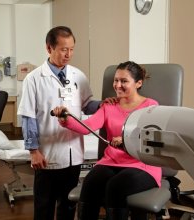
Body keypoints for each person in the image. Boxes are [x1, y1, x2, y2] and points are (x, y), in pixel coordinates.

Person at [52, 61, 162, 220]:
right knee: (89, 183)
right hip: (112, 161)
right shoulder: (109, 106)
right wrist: (66, 118)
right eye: (116, 80)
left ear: (138, 83)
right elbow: (87, 126)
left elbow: (152, 139)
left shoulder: (151, 106)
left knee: (115, 187)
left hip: (142, 165)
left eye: (124, 81)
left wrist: (126, 140)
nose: (118, 85)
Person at [17, 26, 101, 220]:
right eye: (63, 49)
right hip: (47, 154)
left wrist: (104, 104)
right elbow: (28, 117)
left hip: (73, 153)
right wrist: (33, 151)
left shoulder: (78, 76)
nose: (68, 54)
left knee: (68, 204)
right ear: (49, 48)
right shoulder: (34, 79)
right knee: (44, 206)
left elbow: (87, 106)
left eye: (71, 49)